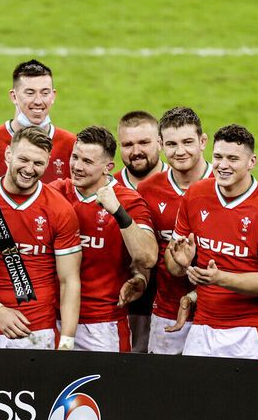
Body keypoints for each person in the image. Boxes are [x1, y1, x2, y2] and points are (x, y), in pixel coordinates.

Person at [165, 124, 258, 360]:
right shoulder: (195, 195)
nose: (223, 165)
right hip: (202, 328)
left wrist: (219, 278)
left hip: (252, 331)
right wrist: (181, 262)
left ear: (252, 161)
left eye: (233, 159)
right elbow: (173, 268)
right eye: (218, 157)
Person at [0, 125, 81, 349]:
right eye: (23, 159)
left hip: (39, 333)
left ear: (47, 164)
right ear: (8, 154)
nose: (29, 169)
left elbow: (69, 281)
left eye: (38, 163)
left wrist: (67, 342)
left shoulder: (60, 209)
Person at [53, 126, 156, 351]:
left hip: (103, 326)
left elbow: (148, 257)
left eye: (87, 162)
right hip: (53, 320)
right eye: (75, 157)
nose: (77, 167)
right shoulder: (55, 193)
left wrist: (118, 211)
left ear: (108, 168)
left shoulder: (128, 201)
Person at [136, 107, 212, 355]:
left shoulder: (225, 184)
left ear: (203, 142)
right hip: (166, 311)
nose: (180, 151)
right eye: (171, 144)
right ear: (160, 145)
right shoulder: (147, 189)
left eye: (188, 142)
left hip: (218, 314)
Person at [0, 60, 76, 184]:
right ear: (14, 97)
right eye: (30, 93)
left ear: (53, 96)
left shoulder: (72, 146)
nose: (38, 101)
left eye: (45, 93)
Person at [114, 110, 167, 351]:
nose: (136, 151)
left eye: (144, 143)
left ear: (159, 142)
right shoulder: (107, 187)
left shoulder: (183, 185)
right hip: (122, 305)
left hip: (172, 307)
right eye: (128, 145)